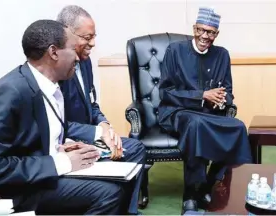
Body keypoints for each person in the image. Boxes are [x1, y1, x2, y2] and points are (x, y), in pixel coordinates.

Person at [0, 20, 125, 214]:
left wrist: (64, 147)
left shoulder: (47, 86)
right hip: (15, 191)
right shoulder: (10, 92)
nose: (77, 57)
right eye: (72, 49)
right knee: (109, 193)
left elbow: (28, 140)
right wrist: (63, 162)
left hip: (40, 175)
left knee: (115, 172)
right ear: (53, 52)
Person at [158, 7, 252, 213]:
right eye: (201, 30)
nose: (204, 36)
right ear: (194, 29)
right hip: (177, 112)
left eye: (210, 32)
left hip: (209, 113)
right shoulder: (175, 51)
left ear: (216, 34)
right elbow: (166, 92)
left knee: (238, 127)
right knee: (196, 125)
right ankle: (191, 194)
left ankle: (210, 184)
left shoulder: (222, 55)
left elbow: (228, 92)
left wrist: (221, 100)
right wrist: (202, 95)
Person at [56, 5, 146, 214]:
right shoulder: (57, 68)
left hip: (91, 135)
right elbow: (57, 124)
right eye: (87, 37)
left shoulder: (85, 63)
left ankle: (128, 210)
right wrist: (98, 133)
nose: (92, 43)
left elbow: (92, 103)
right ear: (66, 32)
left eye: (94, 36)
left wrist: (105, 125)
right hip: (69, 143)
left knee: (135, 148)